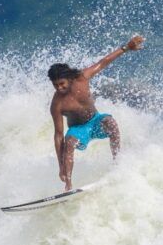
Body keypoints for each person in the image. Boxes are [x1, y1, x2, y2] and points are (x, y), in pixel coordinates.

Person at [49, 34, 145, 190]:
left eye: (61, 84)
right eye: (55, 86)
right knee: (69, 143)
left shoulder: (82, 78)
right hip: (79, 130)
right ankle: (68, 184)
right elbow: (58, 135)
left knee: (111, 123)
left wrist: (126, 48)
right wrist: (60, 166)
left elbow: (104, 62)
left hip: (96, 120)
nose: (59, 88)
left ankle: (117, 162)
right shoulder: (57, 104)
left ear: (69, 79)